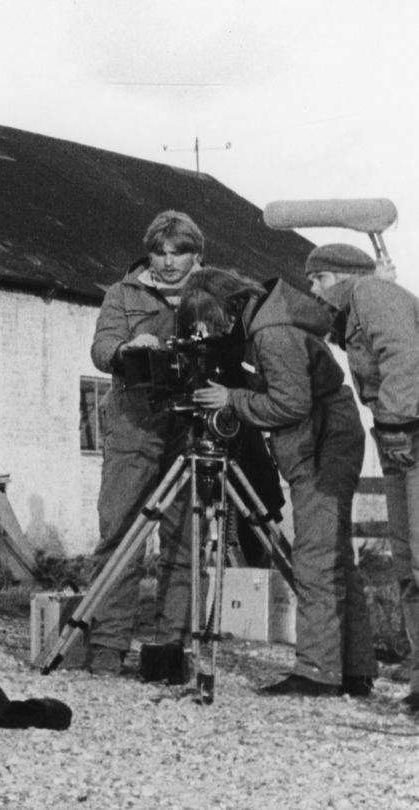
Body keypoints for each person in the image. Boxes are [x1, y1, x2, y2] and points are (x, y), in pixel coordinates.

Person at [186, 268, 376, 697]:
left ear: (229, 309)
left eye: (213, 323)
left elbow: (290, 403)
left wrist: (231, 398)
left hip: (322, 440)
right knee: (334, 555)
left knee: (315, 556)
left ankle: (317, 672)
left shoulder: (272, 334)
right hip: (327, 433)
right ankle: (353, 667)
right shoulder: (272, 320)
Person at [85, 210, 203, 675]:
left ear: (197, 255)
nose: (170, 261)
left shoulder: (212, 294)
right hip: (135, 424)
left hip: (191, 426)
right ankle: (107, 647)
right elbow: (101, 348)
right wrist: (127, 350)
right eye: (161, 251)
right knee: (120, 534)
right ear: (149, 253)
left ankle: (171, 650)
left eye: (180, 252)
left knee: (184, 536)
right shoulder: (123, 293)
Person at [304, 242, 419, 715]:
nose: (312, 289)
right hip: (399, 435)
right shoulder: (361, 305)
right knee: (407, 565)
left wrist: (394, 424)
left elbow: (405, 359)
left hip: (407, 430)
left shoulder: (371, 295)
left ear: (337, 276)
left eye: (316, 279)